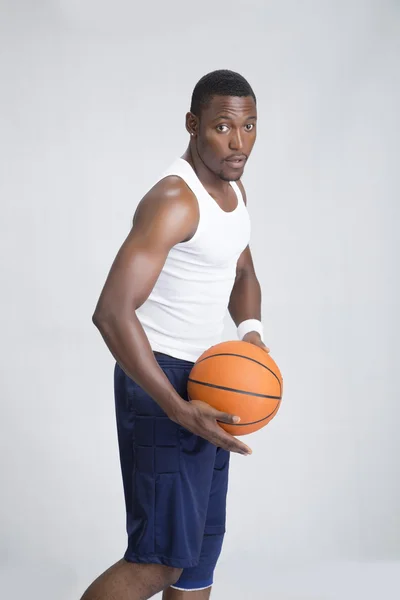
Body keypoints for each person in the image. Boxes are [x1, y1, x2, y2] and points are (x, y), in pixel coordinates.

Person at [80, 69, 269, 600]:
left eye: (250, 126)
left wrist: (250, 333)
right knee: (158, 562)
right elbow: (112, 312)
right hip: (160, 378)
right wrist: (175, 406)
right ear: (193, 125)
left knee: (197, 563)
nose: (239, 142)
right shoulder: (173, 199)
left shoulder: (234, 192)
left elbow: (242, 271)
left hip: (210, 378)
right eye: (223, 127)